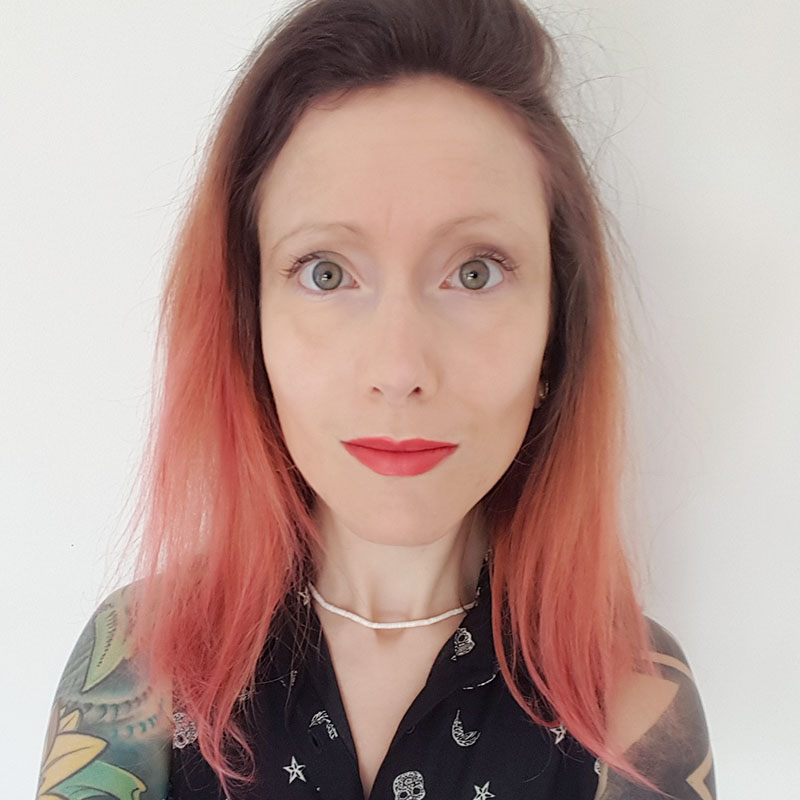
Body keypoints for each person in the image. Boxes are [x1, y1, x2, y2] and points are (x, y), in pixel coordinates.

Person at [36, 1, 717, 799]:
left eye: (474, 273)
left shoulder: (635, 699)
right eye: (326, 272)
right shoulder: (135, 665)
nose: (399, 370)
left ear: (555, 334)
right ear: (250, 326)